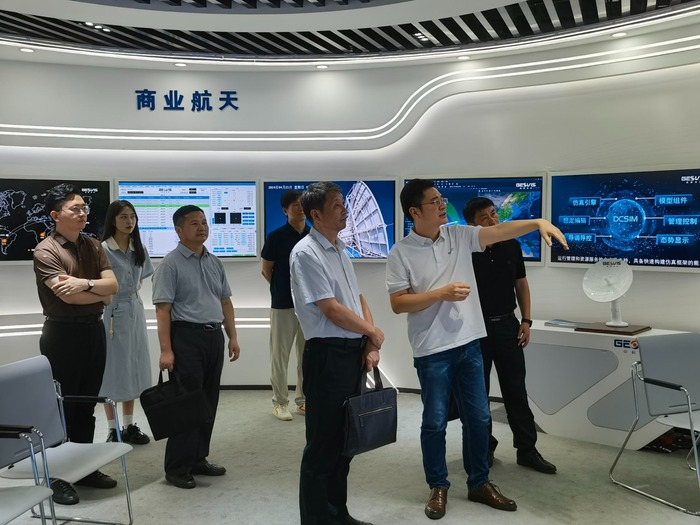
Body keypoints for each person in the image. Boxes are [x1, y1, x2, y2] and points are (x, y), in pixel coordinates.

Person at [386, 179, 568, 520]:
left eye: (441, 198)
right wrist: (440, 294)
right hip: (432, 350)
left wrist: (537, 222)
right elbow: (398, 303)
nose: (442, 204)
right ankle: (438, 486)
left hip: (470, 343)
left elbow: (498, 232)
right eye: (434, 201)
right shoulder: (401, 252)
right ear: (414, 211)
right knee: (435, 422)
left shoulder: (459, 236)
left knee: (479, 417)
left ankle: (479, 482)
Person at [290, 181, 383, 525]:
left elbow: (356, 299)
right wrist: (371, 331)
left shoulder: (340, 250)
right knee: (322, 445)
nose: (345, 210)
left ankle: (337, 513)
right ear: (316, 215)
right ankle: (316, 519)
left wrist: (369, 340)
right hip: (327, 356)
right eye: (337, 205)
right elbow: (330, 309)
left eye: (344, 204)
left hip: (350, 352)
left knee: (345, 442)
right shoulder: (306, 253)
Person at [33, 183, 119, 506]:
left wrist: (85, 284)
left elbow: (113, 287)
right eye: (75, 209)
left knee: (87, 404)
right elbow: (66, 296)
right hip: (62, 334)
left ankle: (84, 469)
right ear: (56, 215)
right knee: (62, 406)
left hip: (93, 331)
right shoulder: (45, 251)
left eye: (84, 208)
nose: (83, 213)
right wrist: (99, 293)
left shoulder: (93, 245)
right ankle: (57, 476)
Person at [463, 197, 557, 474]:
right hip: (475, 330)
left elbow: (521, 284)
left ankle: (527, 450)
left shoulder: (512, 246)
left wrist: (526, 320)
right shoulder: (465, 251)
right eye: (484, 218)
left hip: (508, 325)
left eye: (494, 214)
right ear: (472, 225)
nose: (493, 220)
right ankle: (484, 447)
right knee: (478, 394)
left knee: (516, 391)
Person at [152, 204, 241, 490]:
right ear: (179, 230)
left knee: (208, 402)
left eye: (204, 222)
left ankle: (198, 458)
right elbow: (163, 310)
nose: (202, 227)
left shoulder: (214, 261)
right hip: (186, 338)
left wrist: (232, 336)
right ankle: (177, 467)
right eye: (194, 223)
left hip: (213, 337)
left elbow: (225, 301)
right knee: (187, 404)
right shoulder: (170, 264)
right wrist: (166, 350)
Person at [100, 200, 155, 445]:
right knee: (112, 369)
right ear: (112, 220)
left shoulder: (138, 248)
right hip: (112, 312)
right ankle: (112, 429)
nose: (129, 221)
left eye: (132, 216)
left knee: (134, 365)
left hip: (135, 310)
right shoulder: (103, 249)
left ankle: (129, 425)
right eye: (123, 216)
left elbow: (140, 279)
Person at [261, 189, 309, 421]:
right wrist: (284, 289)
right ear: (285, 210)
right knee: (280, 356)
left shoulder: (313, 235)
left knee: (306, 356)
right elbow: (266, 270)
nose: (300, 208)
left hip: (309, 306)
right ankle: (280, 402)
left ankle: (303, 400)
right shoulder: (276, 237)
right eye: (295, 205)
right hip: (283, 305)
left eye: (303, 204)